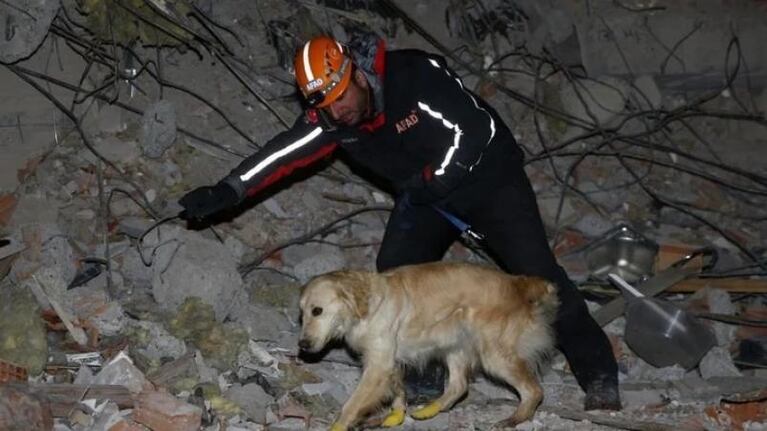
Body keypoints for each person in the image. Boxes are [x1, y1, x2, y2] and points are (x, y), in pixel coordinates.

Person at [178, 34, 621, 411]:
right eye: (327, 108)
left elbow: (475, 130)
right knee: (395, 275)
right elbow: (281, 154)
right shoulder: (332, 121)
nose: (339, 113)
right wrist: (228, 190)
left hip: (489, 178)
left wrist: (435, 180)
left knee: (536, 273)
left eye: (342, 99)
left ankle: (597, 370)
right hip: (424, 193)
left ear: (354, 74)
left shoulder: (413, 76)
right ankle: (424, 372)